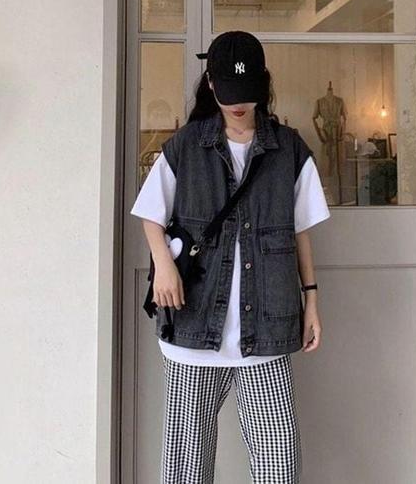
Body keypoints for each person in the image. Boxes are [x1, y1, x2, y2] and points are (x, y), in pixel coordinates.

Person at [130, 30, 331, 484]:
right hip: (193, 324)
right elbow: (150, 215)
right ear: (211, 84)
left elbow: (299, 232)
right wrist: (163, 266)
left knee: (279, 463)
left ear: (263, 83)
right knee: (186, 465)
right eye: (228, 92)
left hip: (267, 327)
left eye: (247, 92)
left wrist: (312, 301)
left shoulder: (289, 149)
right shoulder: (187, 145)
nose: (238, 104)